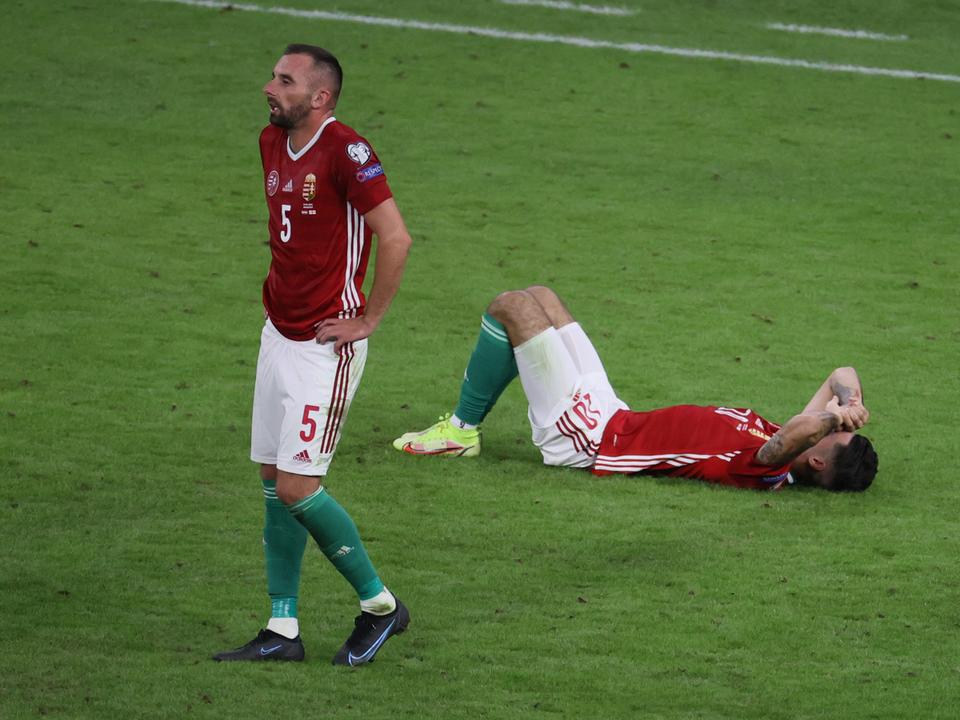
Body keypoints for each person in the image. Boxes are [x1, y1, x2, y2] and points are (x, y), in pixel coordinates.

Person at [214, 44, 412, 666]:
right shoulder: (271, 141)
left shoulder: (347, 151)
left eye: (285, 80)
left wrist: (367, 319)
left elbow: (396, 237)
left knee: (299, 486)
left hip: (325, 346)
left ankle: (381, 606)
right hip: (278, 331)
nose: (269, 87)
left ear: (320, 97)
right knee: (273, 480)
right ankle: (282, 628)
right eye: (273, 76)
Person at [394, 286, 878, 492]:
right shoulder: (788, 433)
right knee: (541, 297)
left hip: (590, 440)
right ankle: (463, 427)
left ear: (817, 459)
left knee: (512, 306)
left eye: (832, 433)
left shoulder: (766, 467)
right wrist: (849, 400)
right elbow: (842, 371)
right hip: (613, 413)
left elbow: (797, 432)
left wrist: (833, 417)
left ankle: (460, 431)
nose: (829, 423)